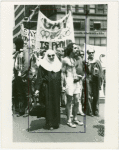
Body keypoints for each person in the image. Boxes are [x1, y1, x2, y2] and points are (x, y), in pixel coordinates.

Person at [35, 49, 61, 130]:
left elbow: (61, 76)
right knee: (49, 105)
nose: (51, 57)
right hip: (47, 88)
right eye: (49, 55)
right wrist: (37, 89)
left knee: (56, 104)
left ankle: (55, 123)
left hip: (56, 88)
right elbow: (39, 77)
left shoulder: (58, 64)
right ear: (46, 56)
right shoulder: (42, 65)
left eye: (53, 55)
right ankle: (49, 123)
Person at [62, 43, 83, 128]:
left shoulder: (75, 59)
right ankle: (68, 120)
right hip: (69, 81)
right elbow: (63, 73)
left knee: (77, 100)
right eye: (75, 48)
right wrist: (63, 84)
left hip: (76, 80)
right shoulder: (65, 59)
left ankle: (75, 118)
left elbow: (75, 70)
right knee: (69, 102)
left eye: (77, 48)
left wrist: (78, 76)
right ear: (71, 49)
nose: (76, 49)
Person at [13, 38, 32, 117]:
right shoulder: (17, 52)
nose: (14, 46)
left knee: (26, 92)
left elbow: (27, 63)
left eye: (15, 44)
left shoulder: (25, 51)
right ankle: (22, 109)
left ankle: (28, 109)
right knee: (20, 92)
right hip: (18, 75)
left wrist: (23, 74)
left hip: (24, 75)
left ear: (18, 44)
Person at [84, 48, 103, 117]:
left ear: (94, 53)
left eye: (92, 52)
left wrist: (100, 82)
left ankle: (96, 111)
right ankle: (90, 111)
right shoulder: (86, 62)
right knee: (88, 96)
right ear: (88, 54)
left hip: (96, 80)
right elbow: (84, 72)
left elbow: (101, 73)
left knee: (96, 96)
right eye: (89, 53)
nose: (91, 54)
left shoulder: (97, 62)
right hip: (88, 80)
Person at [75, 46, 85, 116]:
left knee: (79, 96)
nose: (81, 55)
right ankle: (72, 112)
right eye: (79, 54)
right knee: (73, 97)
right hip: (73, 80)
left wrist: (83, 76)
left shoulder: (82, 61)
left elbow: (84, 70)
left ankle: (80, 110)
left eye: (82, 54)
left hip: (80, 80)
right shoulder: (74, 60)